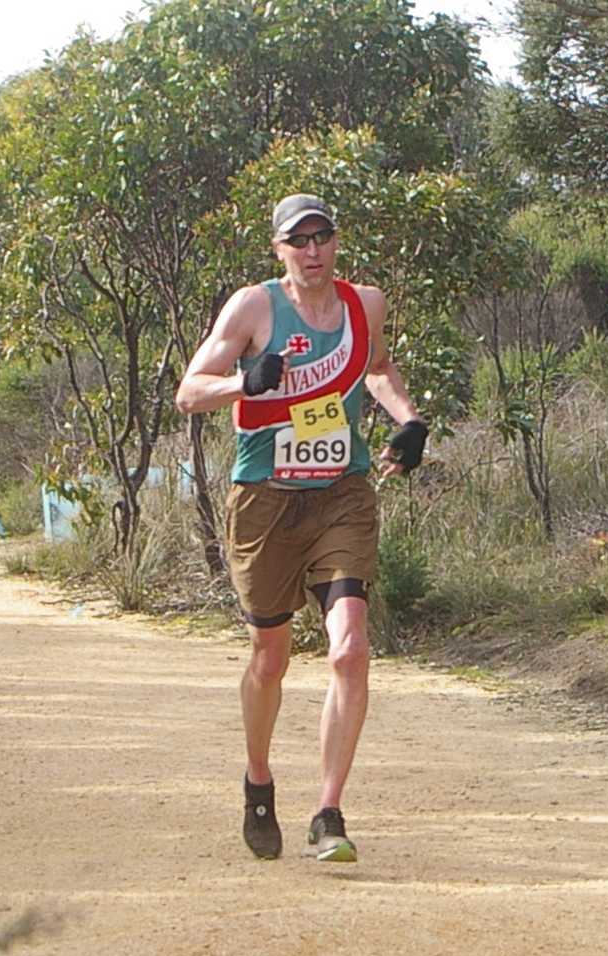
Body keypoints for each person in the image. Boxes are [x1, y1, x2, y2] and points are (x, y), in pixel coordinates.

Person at [175, 193, 429, 863]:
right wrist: (242, 383)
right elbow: (188, 392)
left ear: (335, 242)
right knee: (271, 658)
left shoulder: (362, 304)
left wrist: (407, 420)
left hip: (340, 493)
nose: (312, 250)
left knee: (349, 649)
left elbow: (375, 368)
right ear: (279, 249)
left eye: (322, 237)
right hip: (265, 499)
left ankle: (327, 810)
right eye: (299, 240)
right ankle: (258, 782)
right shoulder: (253, 307)